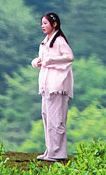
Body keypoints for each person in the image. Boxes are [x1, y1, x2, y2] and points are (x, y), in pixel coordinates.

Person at [31, 12, 74, 162]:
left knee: (56, 119)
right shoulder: (45, 42)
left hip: (58, 85)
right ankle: (51, 150)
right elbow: (43, 60)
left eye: (45, 23)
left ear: (54, 24)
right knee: (47, 118)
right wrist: (37, 61)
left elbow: (69, 57)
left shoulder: (60, 40)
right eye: (41, 23)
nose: (42, 26)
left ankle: (58, 153)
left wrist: (50, 60)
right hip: (47, 86)